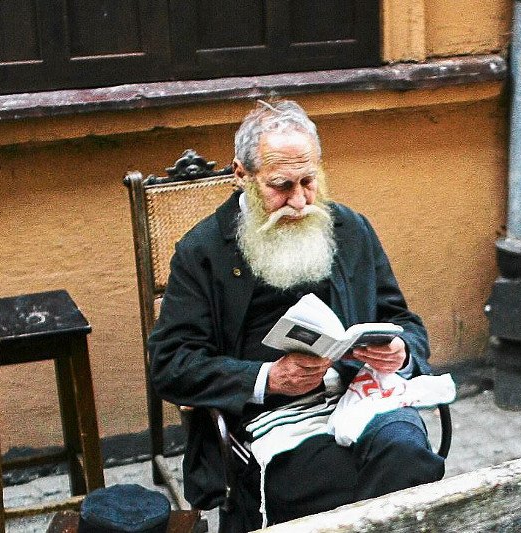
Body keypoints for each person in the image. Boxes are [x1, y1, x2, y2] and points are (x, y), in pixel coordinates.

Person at [148, 99, 444, 530]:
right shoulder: (204, 252)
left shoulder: (349, 229)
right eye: (281, 186)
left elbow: (404, 322)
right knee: (385, 486)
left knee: (408, 454)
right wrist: (267, 378)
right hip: (271, 421)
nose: (300, 201)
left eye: (309, 181)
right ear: (241, 176)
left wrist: (401, 352)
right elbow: (170, 364)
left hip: (361, 397)